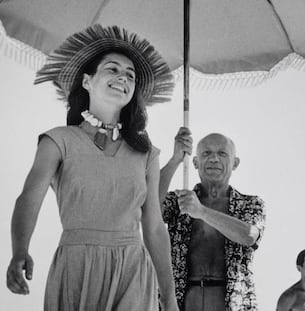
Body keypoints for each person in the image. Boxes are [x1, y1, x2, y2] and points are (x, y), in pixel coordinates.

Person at [6, 24, 179, 311]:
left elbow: (155, 228)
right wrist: (19, 250)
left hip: (133, 270)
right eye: (112, 69)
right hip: (76, 267)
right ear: (87, 81)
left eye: (130, 75)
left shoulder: (145, 152)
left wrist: (169, 297)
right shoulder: (58, 140)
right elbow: (29, 198)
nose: (122, 77)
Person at [159, 128, 266, 310]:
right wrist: (175, 159)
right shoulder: (181, 202)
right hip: (182, 301)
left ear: (235, 163)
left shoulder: (250, 204)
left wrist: (201, 212)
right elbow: (146, 204)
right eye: (206, 153)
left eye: (222, 153)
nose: (214, 159)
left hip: (233, 303)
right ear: (195, 161)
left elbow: (249, 235)